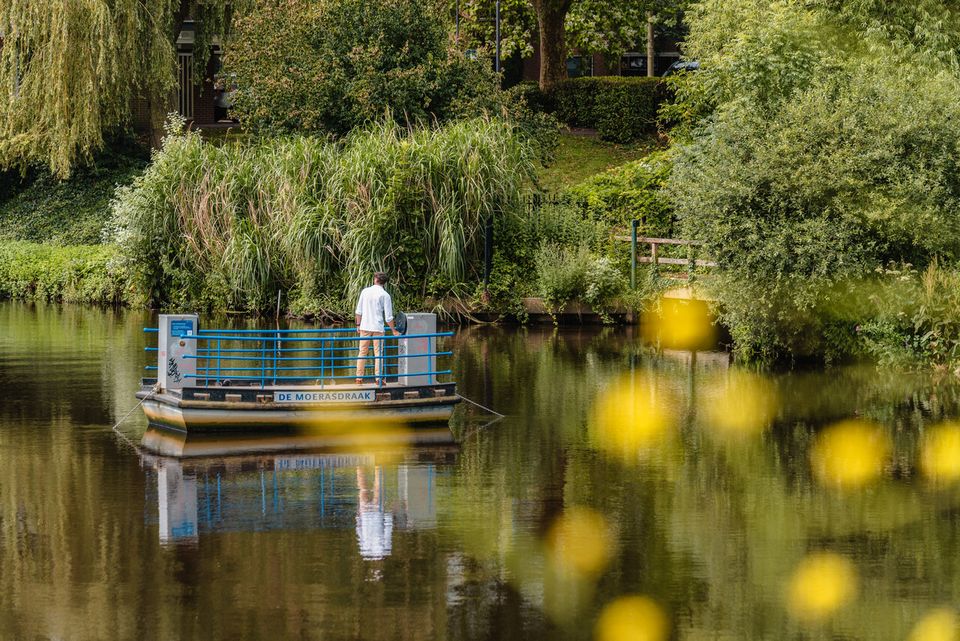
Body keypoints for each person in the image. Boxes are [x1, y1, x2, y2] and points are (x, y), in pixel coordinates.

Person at [354, 272, 400, 385]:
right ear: (384, 283)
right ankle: (378, 378)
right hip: (378, 328)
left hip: (365, 326)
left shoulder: (365, 291)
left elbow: (358, 311)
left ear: (375, 279)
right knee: (378, 354)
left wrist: (358, 325)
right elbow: (388, 317)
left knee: (362, 352)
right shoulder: (385, 295)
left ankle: (359, 378)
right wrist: (394, 330)